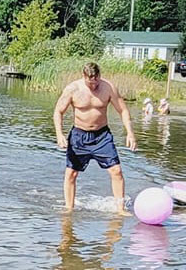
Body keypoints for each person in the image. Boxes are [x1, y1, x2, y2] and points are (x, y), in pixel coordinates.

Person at [54, 61, 137, 212]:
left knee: (116, 171)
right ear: (84, 76)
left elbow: (123, 110)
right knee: (71, 173)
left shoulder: (108, 88)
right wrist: (59, 134)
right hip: (79, 136)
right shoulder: (73, 89)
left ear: (99, 76)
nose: (93, 86)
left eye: (96, 81)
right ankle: (68, 208)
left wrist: (130, 133)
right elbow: (58, 111)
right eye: (90, 82)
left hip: (102, 136)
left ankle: (120, 209)